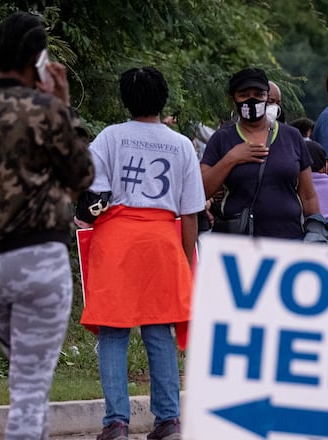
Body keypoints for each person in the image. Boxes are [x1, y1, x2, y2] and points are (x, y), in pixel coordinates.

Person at [0, 12, 94, 440]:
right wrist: (62, 104)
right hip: (39, 261)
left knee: (26, 377)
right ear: (38, 58)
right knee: (29, 389)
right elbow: (83, 175)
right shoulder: (45, 110)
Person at [78, 67, 205, 440]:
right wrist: (183, 262)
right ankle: (168, 420)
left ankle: (116, 422)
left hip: (117, 240)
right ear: (163, 98)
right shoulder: (181, 144)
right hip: (162, 241)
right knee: (158, 331)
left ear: (125, 100)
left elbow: (91, 194)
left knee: (113, 333)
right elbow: (191, 212)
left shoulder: (110, 137)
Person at [201, 68, 320, 238]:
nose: (252, 99)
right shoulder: (222, 139)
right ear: (233, 98)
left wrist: (316, 232)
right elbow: (201, 192)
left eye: (259, 94)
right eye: (244, 94)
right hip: (239, 243)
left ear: (267, 98)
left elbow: (308, 196)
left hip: (288, 239)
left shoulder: (291, 136)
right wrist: (231, 159)